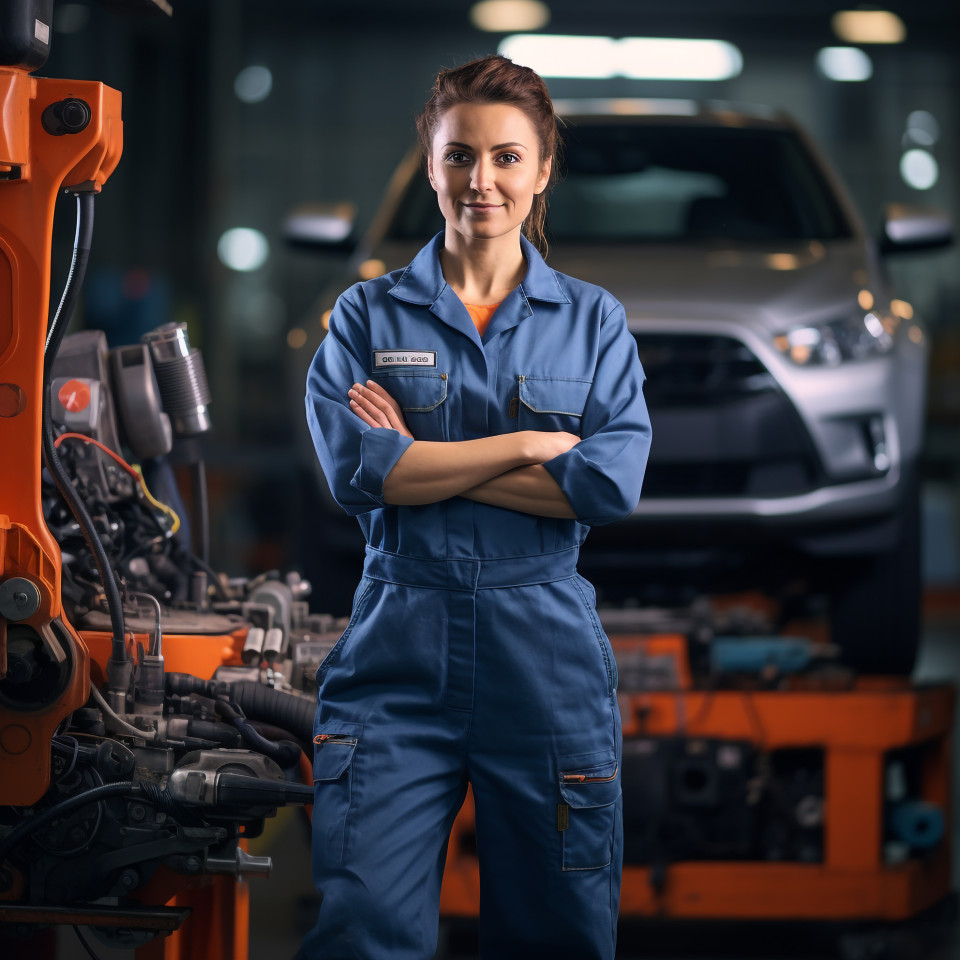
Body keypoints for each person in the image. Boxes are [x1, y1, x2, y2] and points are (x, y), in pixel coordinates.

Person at [297, 54, 652, 960]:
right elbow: (353, 474)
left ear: (540, 173)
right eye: (460, 157)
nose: (480, 181)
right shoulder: (366, 318)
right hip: (397, 646)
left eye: (505, 158)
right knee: (363, 929)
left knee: (557, 934)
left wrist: (416, 460)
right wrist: (531, 446)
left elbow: (609, 485)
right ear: (430, 164)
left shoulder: (593, 320)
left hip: (545, 653)